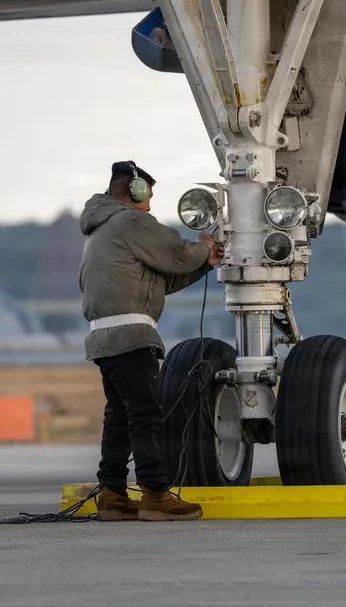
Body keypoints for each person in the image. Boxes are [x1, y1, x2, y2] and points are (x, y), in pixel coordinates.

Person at [79, 161, 222, 521]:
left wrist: (203, 265)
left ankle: (111, 493)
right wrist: (205, 247)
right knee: (145, 416)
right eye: (148, 197)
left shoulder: (101, 228)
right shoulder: (131, 222)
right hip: (132, 336)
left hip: (104, 337)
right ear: (136, 190)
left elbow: (161, 280)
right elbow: (175, 254)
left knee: (119, 416)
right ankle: (156, 494)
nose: (150, 205)